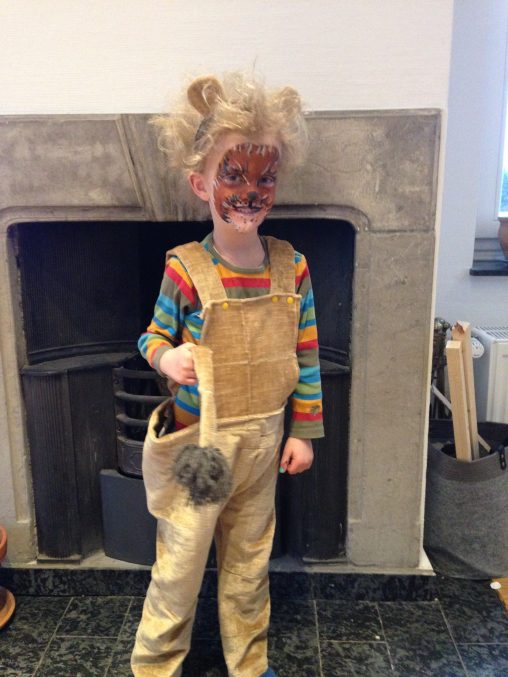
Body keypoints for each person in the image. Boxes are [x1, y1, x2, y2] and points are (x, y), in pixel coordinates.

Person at [131, 72, 324, 677]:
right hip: (201, 450)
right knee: (181, 563)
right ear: (201, 183)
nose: (249, 192)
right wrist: (167, 358)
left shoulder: (292, 269)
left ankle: (249, 661)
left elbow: (308, 356)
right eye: (233, 176)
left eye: (264, 178)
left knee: (249, 563)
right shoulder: (186, 270)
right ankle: (156, 664)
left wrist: (303, 431)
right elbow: (150, 337)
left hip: (263, 447)